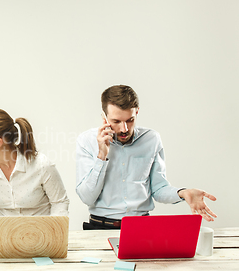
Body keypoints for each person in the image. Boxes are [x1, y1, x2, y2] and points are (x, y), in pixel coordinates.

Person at [76, 85, 217, 230]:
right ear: (104, 118)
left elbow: (159, 188)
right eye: (116, 121)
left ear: (137, 112)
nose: (124, 129)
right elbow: (87, 197)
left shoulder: (151, 139)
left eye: (130, 120)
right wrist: (102, 156)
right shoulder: (87, 141)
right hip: (100, 228)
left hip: (141, 227)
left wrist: (183, 193)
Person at [0, 108, 69, 241]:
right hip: (4, 239)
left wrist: (53, 234)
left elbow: (59, 202)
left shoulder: (42, 165)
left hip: (42, 238)